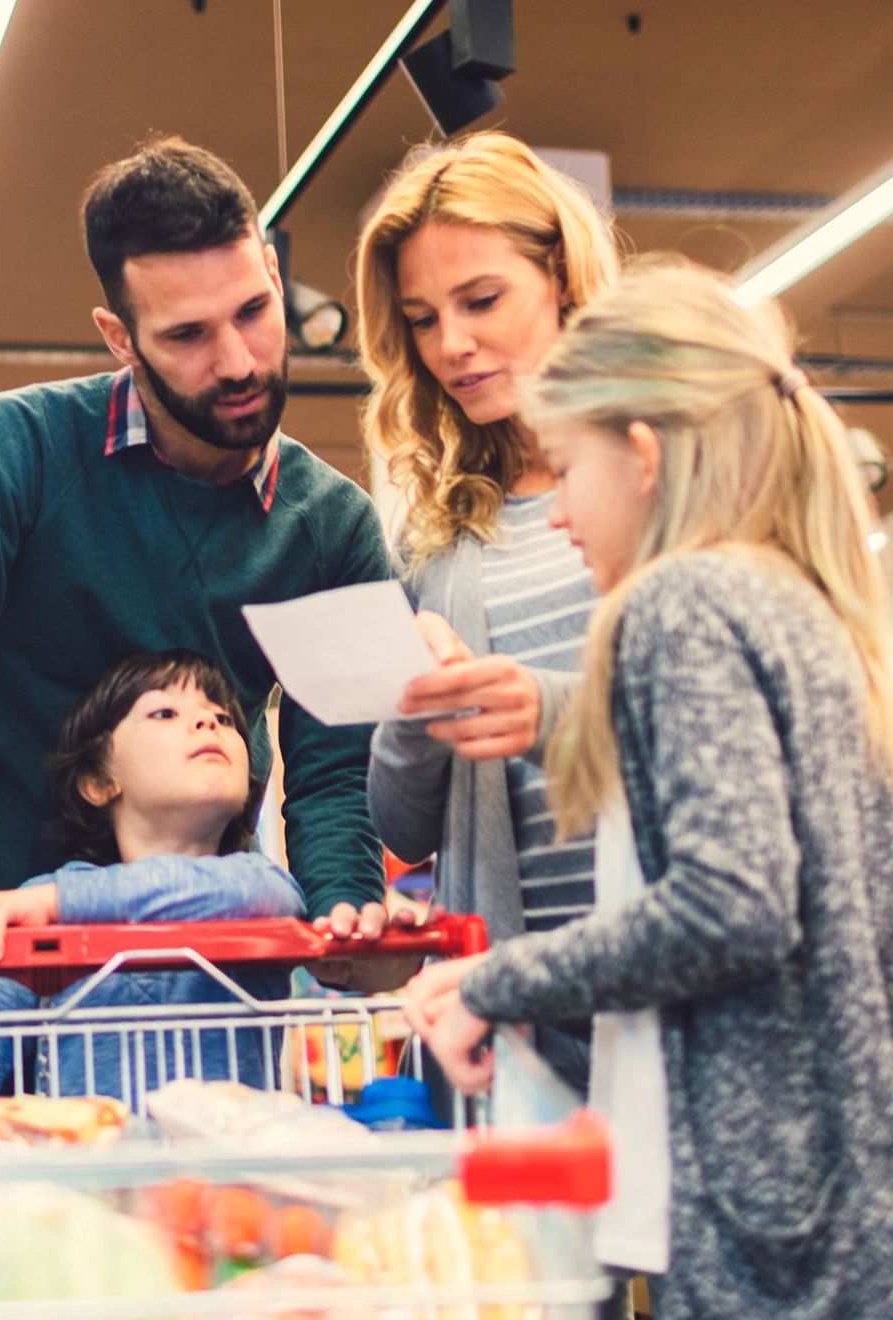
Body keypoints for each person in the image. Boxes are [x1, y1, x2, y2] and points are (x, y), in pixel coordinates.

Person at [402, 259, 893, 1320]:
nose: (559, 516)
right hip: (878, 1216)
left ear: (641, 458)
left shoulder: (677, 603)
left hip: (777, 1234)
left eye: (566, 468)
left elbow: (731, 906)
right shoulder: (793, 599)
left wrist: (497, 981)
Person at [0, 138, 393, 1016]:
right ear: (120, 339)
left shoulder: (334, 530)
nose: (241, 361)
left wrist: (343, 920)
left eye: (254, 311)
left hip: (203, 984)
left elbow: (333, 776)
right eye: (187, 335)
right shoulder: (14, 452)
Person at [354, 133, 619, 1088]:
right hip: (514, 1023)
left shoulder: (667, 484)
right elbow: (403, 825)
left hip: (678, 989)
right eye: (423, 318)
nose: (452, 346)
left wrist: (540, 705)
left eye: (482, 300)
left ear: (562, 276)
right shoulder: (439, 538)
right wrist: (416, 709)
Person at [0, 650, 303, 1103]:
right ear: (99, 782)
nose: (208, 724)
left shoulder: (255, 882)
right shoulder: (41, 906)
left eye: (223, 718)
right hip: (92, 1168)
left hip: (232, 1172)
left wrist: (56, 902)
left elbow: (271, 899)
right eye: (165, 712)